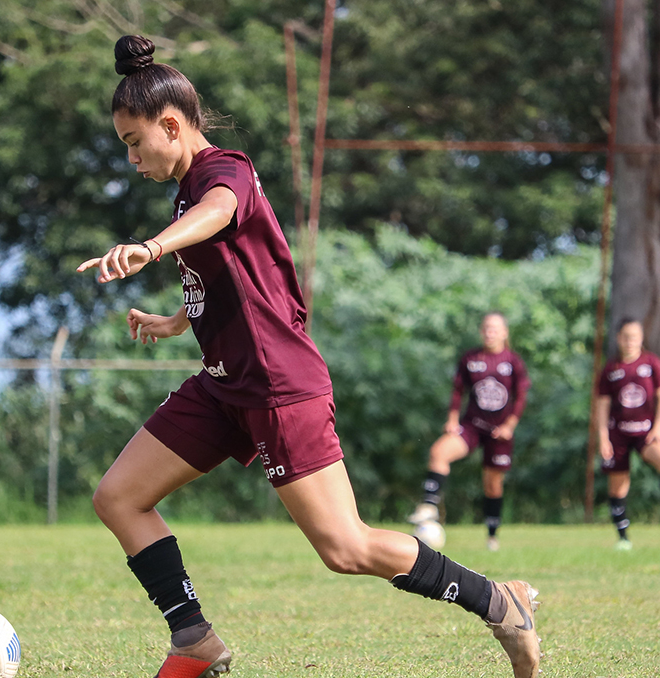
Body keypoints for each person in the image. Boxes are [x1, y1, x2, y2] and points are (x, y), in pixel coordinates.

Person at [77, 35, 541, 678]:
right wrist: (179, 320)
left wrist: (152, 248)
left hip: (277, 385)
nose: (131, 158)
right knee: (119, 497)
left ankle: (499, 600)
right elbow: (238, 282)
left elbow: (221, 212)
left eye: (133, 141)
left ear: (173, 125)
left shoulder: (222, 171)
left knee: (345, 548)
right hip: (223, 384)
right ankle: (194, 640)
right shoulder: (183, 191)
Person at [407, 313, 531, 551]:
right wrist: (452, 419)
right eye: (485, 328)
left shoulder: (513, 362)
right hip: (472, 425)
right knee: (439, 451)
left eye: (495, 328)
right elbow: (457, 391)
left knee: (492, 485)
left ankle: (492, 535)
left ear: (505, 333)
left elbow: (521, 396)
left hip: (500, 432)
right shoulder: (470, 359)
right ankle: (429, 506)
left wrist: (510, 426)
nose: (489, 332)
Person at [595, 318, 660, 550]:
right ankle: (623, 538)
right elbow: (602, 405)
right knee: (618, 486)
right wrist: (603, 437)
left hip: (646, 432)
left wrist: (658, 427)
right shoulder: (611, 369)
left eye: (634, 336)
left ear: (641, 338)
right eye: (625, 336)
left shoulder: (651, 363)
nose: (629, 341)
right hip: (618, 433)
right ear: (618, 339)